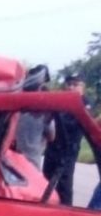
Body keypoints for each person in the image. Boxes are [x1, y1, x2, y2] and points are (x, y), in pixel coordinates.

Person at [42, 73, 90, 205]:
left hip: (68, 150)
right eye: (69, 84)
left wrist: (55, 115)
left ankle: (66, 212)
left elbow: (72, 124)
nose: (71, 87)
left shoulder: (84, 103)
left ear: (82, 87)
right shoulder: (62, 101)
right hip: (53, 148)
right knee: (44, 181)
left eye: (75, 84)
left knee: (64, 186)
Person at [15, 66, 55, 169]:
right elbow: (51, 136)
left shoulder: (16, 103)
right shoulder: (45, 110)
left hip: (12, 157)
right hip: (32, 160)